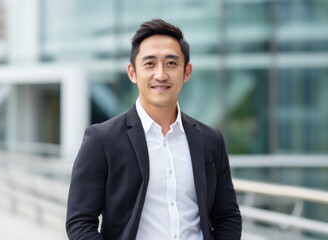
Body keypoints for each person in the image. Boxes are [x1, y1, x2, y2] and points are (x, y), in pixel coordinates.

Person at [66, 19, 242, 240]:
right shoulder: (102, 139)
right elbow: (80, 223)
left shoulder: (210, 139)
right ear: (132, 73)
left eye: (171, 63)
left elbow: (227, 216)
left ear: (186, 72)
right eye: (149, 64)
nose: (161, 74)